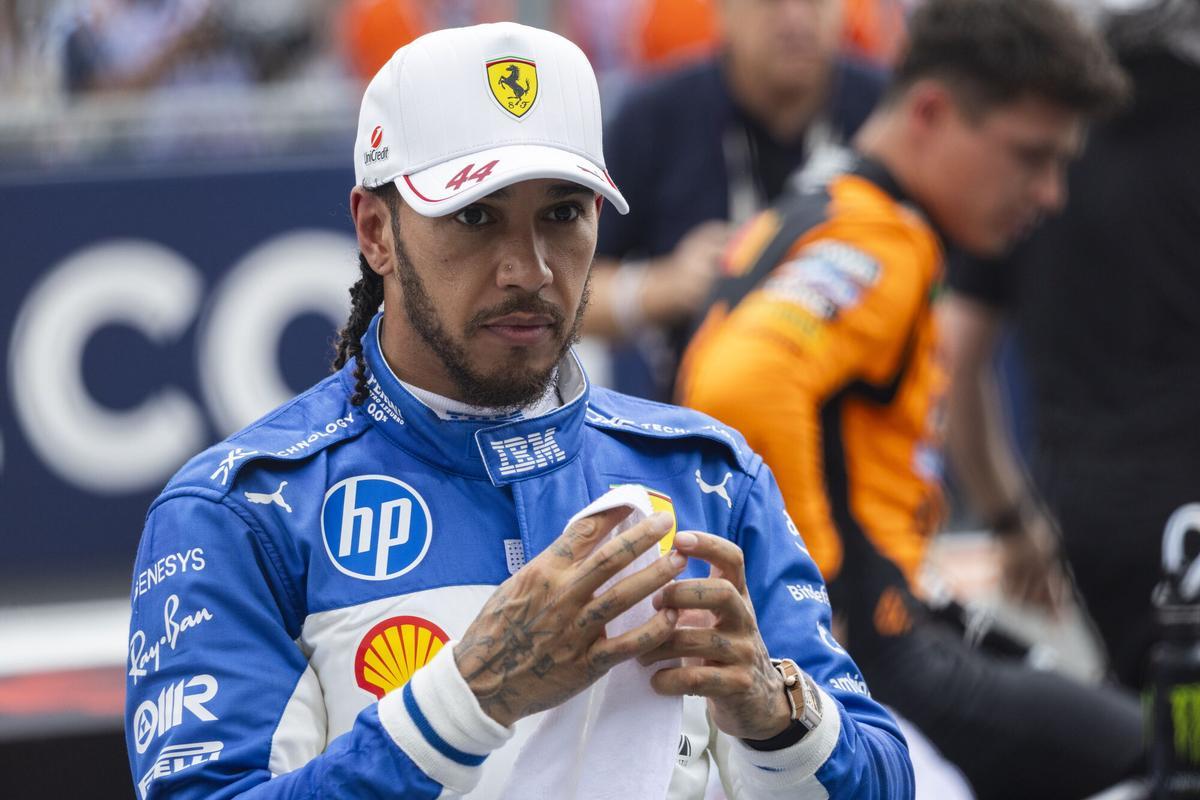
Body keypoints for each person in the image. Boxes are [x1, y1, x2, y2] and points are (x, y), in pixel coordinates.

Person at [123, 22, 913, 799]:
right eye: (476, 216)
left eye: (562, 214)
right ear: (376, 232)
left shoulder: (710, 476)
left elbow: (884, 775)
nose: (528, 269)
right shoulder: (240, 512)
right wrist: (468, 698)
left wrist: (779, 714)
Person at [679, 1, 1144, 798]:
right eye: (1031, 157)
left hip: (887, 627)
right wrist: (808, 605)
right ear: (930, 112)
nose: (1050, 194)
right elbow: (739, 381)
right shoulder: (879, 242)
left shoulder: (825, 205)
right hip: (874, 655)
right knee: (1158, 750)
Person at [943, 0, 1200, 691]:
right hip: (1157, 510)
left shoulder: (1029, 147)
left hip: (1092, 520)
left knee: (1154, 727)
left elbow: (956, 356)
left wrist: (1009, 517)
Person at [583, 0, 887, 401]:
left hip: (858, 409)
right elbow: (565, 286)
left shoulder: (888, 111)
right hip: (697, 415)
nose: (795, 18)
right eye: (768, 3)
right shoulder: (655, 116)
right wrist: (663, 286)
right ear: (723, 12)